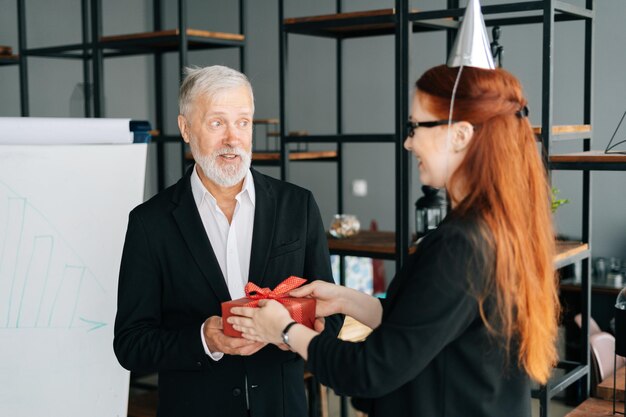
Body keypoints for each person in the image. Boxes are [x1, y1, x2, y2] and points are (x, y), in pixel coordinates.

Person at [228, 65, 559, 417]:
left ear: (461, 135)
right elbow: (420, 329)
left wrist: (284, 329)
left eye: (417, 126)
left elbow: (369, 371)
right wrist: (345, 300)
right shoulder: (493, 227)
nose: (409, 141)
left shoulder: (461, 245)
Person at [113, 65, 340, 417]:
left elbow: (332, 311)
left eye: (243, 122)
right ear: (186, 129)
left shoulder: (298, 205)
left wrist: (302, 331)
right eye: (217, 122)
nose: (233, 138)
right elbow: (130, 344)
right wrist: (204, 338)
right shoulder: (149, 223)